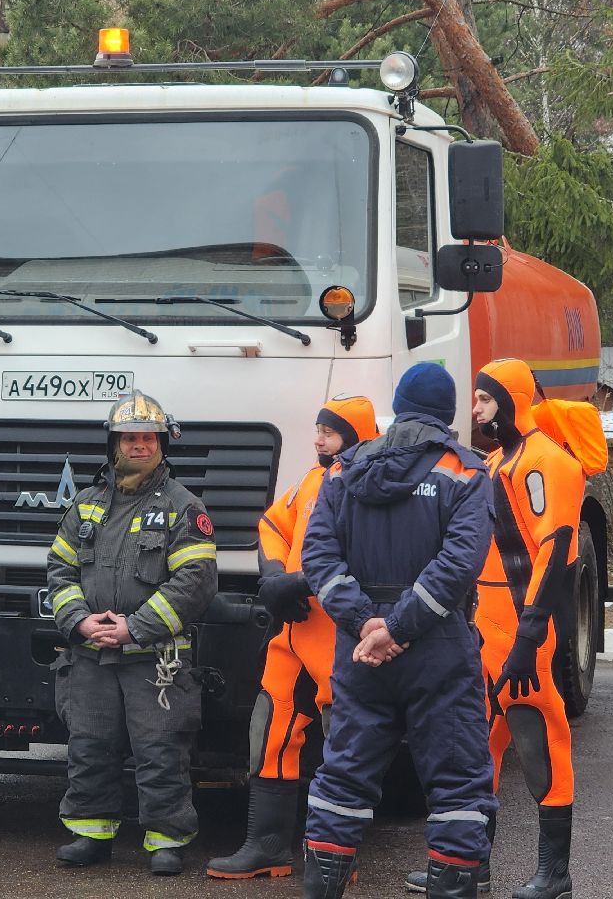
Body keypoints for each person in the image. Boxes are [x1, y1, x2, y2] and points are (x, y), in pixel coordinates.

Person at [300, 362, 497, 899]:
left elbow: (318, 556)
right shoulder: (464, 472)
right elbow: (460, 564)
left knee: (342, 777)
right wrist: (400, 626)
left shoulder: (343, 471)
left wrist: (366, 623)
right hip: (437, 648)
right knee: (457, 784)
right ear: (446, 412)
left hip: (361, 655)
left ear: (399, 406)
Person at [405, 358, 586, 899]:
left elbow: (556, 551)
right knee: (473, 746)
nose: (477, 408)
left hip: (523, 631)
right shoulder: (494, 461)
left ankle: (555, 873)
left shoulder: (545, 462)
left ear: (510, 400)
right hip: (483, 629)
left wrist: (531, 636)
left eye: (486, 399)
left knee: (539, 740)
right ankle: (469, 864)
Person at [206, 395, 379, 881]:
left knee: (345, 745)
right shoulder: (311, 480)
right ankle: (268, 846)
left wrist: (297, 584)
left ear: (356, 434)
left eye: (329, 430)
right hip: (293, 632)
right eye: (318, 428)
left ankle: (337, 855)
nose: (318, 438)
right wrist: (274, 577)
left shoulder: (370, 485)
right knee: (271, 732)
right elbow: (272, 525)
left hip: (338, 635)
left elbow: (366, 558)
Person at [47, 390, 219, 876]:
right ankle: (89, 832)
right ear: (114, 444)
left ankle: (166, 839)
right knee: (89, 743)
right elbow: (59, 570)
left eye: (148, 438)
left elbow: (196, 583)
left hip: (154, 658)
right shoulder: (86, 504)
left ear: (162, 444)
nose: (138, 446)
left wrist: (134, 629)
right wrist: (79, 621)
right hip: (90, 654)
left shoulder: (184, 507)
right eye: (129, 438)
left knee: (160, 749)